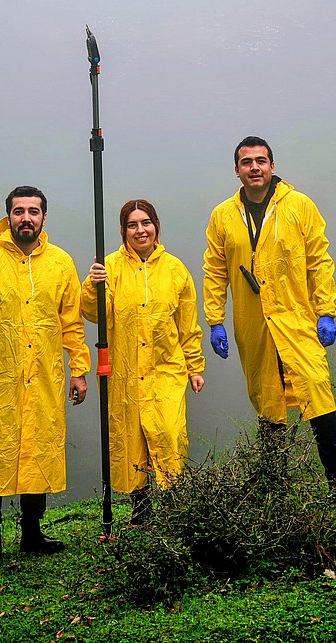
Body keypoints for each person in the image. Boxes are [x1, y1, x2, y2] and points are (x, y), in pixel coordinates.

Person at [203, 137, 336, 499]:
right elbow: (215, 269)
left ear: (272, 166)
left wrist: (326, 311)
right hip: (252, 322)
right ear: (237, 170)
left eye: (261, 160)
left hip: (297, 318)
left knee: (317, 391)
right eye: (246, 162)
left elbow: (320, 261)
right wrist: (215, 320)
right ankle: (276, 490)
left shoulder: (299, 206)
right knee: (267, 398)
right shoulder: (223, 215)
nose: (254, 167)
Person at [0, 185, 91, 568]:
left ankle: (32, 533)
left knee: (39, 449)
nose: (26, 218)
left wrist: (78, 370)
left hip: (45, 375)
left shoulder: (61, 263)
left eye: (34, 211)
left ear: (44, 218)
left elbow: (71, 322)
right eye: (19, 211)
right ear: (7, 216)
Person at [82, 198, 205, 524]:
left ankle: (175, 506)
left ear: (156, 226)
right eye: (132, 225)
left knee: (169, 433)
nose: (140, 230)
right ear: (123, 231)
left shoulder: (176, 270)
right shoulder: (110, 268)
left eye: (145, 222)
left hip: (166, 369)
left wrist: (195, 367)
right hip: (124, 371)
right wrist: (92, 286)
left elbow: (187, 324)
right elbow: (94, 314)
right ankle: (142, 509)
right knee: (130, 440)